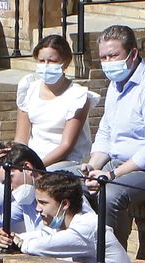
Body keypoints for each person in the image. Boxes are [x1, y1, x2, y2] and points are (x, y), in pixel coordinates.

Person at [83, 24, 145, 242]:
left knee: (110, 194)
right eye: (103, 57)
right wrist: (92, 167)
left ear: (133, 53)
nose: (108, 62)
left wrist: (112, 175)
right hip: (119, 162)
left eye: (113, 55)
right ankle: (82, 248)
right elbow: (106, 133)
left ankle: (111, 256)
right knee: (69, 183)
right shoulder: (115, 84)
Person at [0, 171, 132, 263]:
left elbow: (44, 245)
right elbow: (44, 234)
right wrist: (8, 237)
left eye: (43, 203)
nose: (38, 209)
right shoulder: (65, 223)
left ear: (65, 204)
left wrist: (20, 243)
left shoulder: (86, 226)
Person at [8, 34, 92, 171]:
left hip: (64, 161)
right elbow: (21, 139)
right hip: (31, 160)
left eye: (52, 61)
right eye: (42, 61)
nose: (46, 65)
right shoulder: (29, 89)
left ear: (65, 62)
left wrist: (37, 167)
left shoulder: (78, 96)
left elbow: (66, 146)